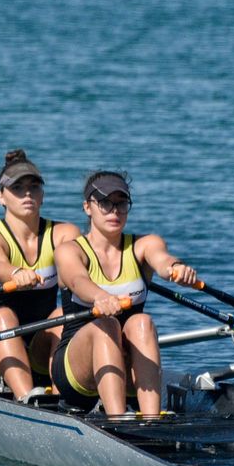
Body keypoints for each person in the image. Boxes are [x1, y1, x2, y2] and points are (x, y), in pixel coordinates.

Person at [50, 171, 198, 419]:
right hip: (76, 372)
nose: (114, 211)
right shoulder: (69, 250)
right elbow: (77, 280)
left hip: (126, 370)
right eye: (105, 203)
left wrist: (175, 268)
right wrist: (99, 296)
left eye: (121, 203)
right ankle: (117, 420)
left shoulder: (144, 244)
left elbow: (161, 260)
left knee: (142, 322)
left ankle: (152, 420)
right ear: (88, 207)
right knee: (106, 324)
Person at [0, 150, 79, 401]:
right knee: (4, 316)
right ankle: (27, 399)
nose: (27, 194)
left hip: (41, 343)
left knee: (64, 315)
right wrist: (16, 273)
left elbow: (80, 267)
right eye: (17, 188)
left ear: (43, 194)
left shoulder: (64, 233)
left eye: (34, 187)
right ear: (1, 197)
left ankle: (63, 401)